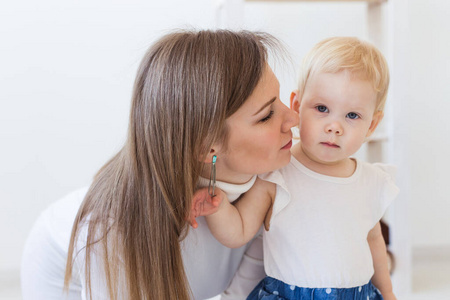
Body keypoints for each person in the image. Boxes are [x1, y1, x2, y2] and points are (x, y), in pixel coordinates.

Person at [20, 29, 300, 299]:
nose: (293, 120)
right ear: (206, 146)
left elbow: (244, 293)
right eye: (266, 115)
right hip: (63, 272)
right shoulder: (112, 231)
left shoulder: (275, 178)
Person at [190, 37, 399, 300]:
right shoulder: (278, 174)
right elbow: (239, 231)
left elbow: (374, 241)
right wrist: (218, 208)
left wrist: (388, 291)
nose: (335, 127)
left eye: (352, 115)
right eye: (322, 108)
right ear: (298, 107)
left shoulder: (371, 181)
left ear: (371, 125)